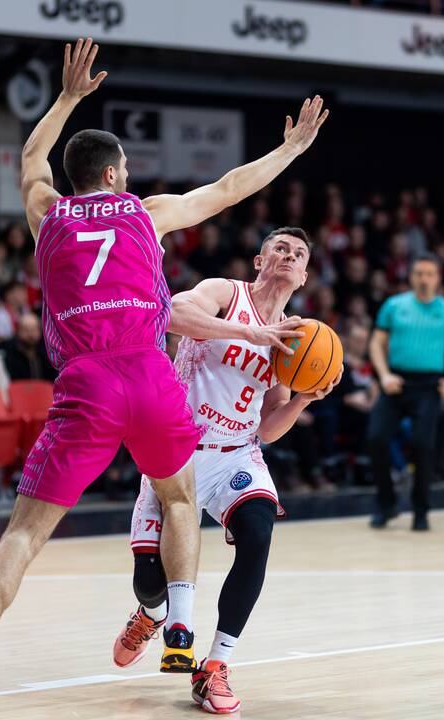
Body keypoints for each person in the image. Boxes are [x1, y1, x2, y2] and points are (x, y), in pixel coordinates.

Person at [0, 37, 327, 720]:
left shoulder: (47, 211)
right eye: (126, 169)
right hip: (151, 375)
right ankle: (183, 625)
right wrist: (290, 152)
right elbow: (225, 189)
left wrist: (68, 97)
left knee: (24, 532)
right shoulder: (144, 212)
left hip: (87, 385)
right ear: (113, 176)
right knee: (181, 499)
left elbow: (27, 159)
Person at [120, 227, 339, 714]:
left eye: (299, 253)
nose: (289, 255)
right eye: (280, 247)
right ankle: (153, 612)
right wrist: (249, 333)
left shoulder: (296, 337)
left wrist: (303, 397)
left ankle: (214, 667)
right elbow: (173, 313)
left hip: (236, 456)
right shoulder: (225, 292)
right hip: (176, 452)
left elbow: (268, 427)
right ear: (260, 260)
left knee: (259, 535)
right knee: (149, 582)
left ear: (303, 276)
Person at [368, 253, 444, 531]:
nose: (424, 279)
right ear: (411, 277)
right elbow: (376, 344)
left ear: (438, 278)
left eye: (429, 274)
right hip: (396, 381)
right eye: (419, 273)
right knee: (376, 438)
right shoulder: (394, 306)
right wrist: (384, 374)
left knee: (423, 445)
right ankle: (386, 504)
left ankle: (421, 510)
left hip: (429, 385)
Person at [0, 313, 56, 382]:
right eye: (26, 330)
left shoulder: (48, 355)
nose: (31, 334)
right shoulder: (10, 357)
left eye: (34, 329)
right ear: (18, 332)